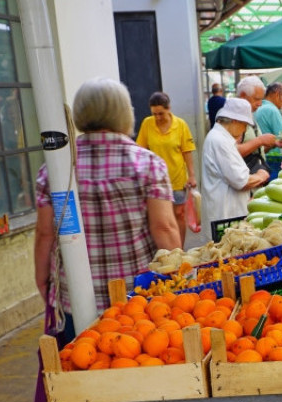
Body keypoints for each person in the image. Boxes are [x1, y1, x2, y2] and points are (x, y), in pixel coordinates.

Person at [33, 78, 181, 324]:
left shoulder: (56, 170)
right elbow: (164, 228)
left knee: (81, 359)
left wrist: (42, 279)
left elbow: (45, 233)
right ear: (125, 113)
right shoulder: (147, 164)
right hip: (139, 300)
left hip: (76, 303)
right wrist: (181, 276)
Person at [135, 91, 196, 238]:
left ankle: (179, 250)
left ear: (168, 108)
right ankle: (166, 250)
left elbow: (187, 152)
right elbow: (140, 150)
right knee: (161, 219)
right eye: (154, 114)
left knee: (179, 215)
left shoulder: (180, 125)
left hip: (177, 178)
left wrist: (192, 175)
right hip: (156, 181)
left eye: (160, 113)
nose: (157, 117)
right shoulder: (147, 123)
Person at [202, 98, 270, 222]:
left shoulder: (221, 137)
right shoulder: (219, 141)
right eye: (244, 125)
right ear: (234, 121)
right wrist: (261, 175)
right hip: (225, 215)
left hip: (227, 212)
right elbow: (242, 181)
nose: (244, 130)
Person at [234, 76, 279, 174]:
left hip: (254, 180)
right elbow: (231, 152)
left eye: (261, 100)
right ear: (243, 95)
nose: (260, 104)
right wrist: (260, 140)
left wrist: (270, 143)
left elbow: (254, 150)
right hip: (243, 181)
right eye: (256, 99)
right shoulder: (234, 120)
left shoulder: (248, 115)